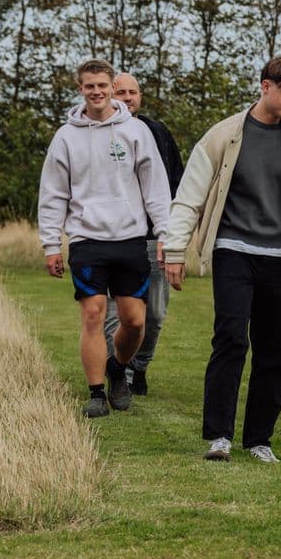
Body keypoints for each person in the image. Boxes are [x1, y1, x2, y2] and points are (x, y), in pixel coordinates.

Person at [163, 57, 281, 463]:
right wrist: (175, 251)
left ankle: (259, 440)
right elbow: (189, 197)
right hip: (232, 249)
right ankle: (219, 436)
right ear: (265, 86)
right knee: (231, 339)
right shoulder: (223, 135)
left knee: (273, 350)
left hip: (280, 256)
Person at [38, 59, 171, 418]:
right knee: (93, 314)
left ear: (112, 87)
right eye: (89, 86)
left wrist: (164, 234)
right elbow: (52, 194)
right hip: (86, 239)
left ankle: (117, 368)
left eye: (102, 85)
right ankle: (96, 392)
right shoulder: (66, 137)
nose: (96, 92)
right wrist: (51, 244)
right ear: (80, 89)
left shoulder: (135, 131)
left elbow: (155, 187)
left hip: (130, 238)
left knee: (135, 321)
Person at [104, 72, 184, 396]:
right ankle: (118, 372)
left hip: (154, 238)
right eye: (120, 92)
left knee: (155, 313)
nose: (127, 97)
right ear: (110, 95)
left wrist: (174, 233)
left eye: (132, 92)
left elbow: (176, 183)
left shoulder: (158, 132)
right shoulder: (99, 134)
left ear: (140, 96)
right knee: (116, 311)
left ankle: (139, 365)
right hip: (115, 237)